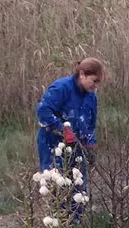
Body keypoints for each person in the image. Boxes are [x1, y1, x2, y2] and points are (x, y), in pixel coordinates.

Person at [35, 57, 104, 218]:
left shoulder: (91, 97)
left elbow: (90, 125)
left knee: (79, 191)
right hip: (53, 146)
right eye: (94, 81)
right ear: (82, 74)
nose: (96, 86)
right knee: (58, 192)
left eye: (99, 83)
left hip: (78, 148)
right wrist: (62, 129)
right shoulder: (61, 88)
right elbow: (43, 112)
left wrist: (90, 145)